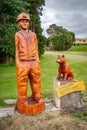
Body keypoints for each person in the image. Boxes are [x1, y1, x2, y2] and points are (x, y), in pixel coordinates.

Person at [15, 12, 43, 106]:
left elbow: (36, 48)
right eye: (22, 21)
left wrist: (37, 61)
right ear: (19, 23)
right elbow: (17, 50)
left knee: (36, 80)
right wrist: (18, 63)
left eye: (26, 21)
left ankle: (37, 96)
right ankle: (23, 99)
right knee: (22, 81)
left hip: (34, 61)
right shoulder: (17, 34)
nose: (24, 23)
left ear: (29, 23)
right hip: (22, 62)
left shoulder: (33, 34)